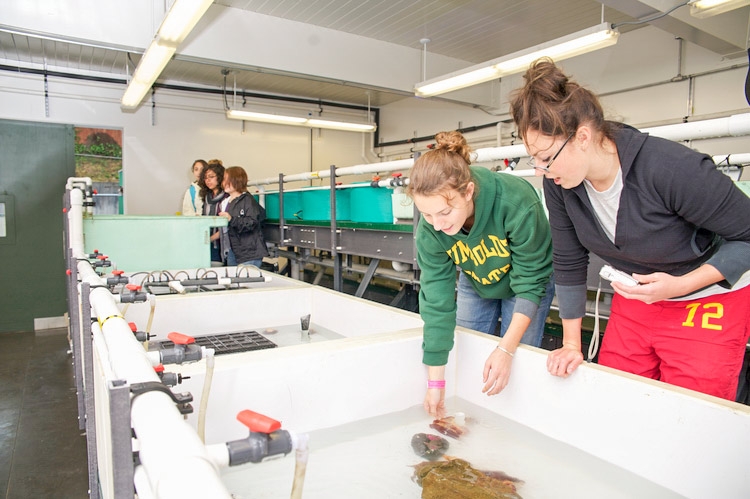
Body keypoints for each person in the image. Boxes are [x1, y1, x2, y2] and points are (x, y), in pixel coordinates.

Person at [509, 57, 750, 401]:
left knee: (691, 409)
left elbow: (747, 235)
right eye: (534, 159)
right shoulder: (560, 183)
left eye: (546, 158)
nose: (539, 170)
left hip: (707, 298)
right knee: (621, 398)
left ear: (582, 137)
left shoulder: (670, 168)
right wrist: (572, 344)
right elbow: (568, 259)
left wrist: (682, 285)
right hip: (637, 297)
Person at [407, 131, 555, 418]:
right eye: (427, 215)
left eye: (445, 212)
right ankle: (474, 420)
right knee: (470, 353)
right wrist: (435, 383)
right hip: (476, 281)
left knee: (516, 359)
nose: (437, 225)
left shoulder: (516, 201)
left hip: (525, 286)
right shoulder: (430, 232)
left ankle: (515, 419)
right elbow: (437, 305)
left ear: (469, 192)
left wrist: (507, 350)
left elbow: (531, 279)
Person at [219, 166, 269, 268]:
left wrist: (231, 219)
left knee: (245, 282)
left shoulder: (247, 200)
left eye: (227, 179)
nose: (224, 182)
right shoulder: (227, 201)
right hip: (234, 251)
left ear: (237, 180)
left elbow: (251, 222)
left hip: (249, 253)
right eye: (224, 179)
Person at [199, 162, 227, 267]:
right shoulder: (207, 197)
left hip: (221, 244)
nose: (208, 180)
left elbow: (226, 224)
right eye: (205, 178)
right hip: (207, 242)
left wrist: (210, 238)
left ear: (219, 177)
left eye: (211, 177)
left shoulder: (226, 196)